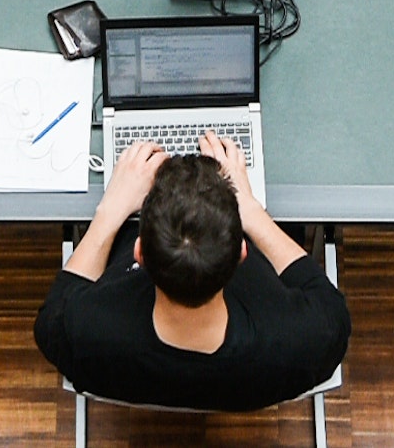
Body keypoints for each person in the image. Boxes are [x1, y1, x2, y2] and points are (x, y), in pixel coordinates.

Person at [35, 132, 351, 411]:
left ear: (140, 253)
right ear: (242, 252)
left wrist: (110, 210)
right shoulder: (306, 339)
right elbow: (322, 295)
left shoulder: (82, 331)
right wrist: (252, 211)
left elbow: (58, 304)